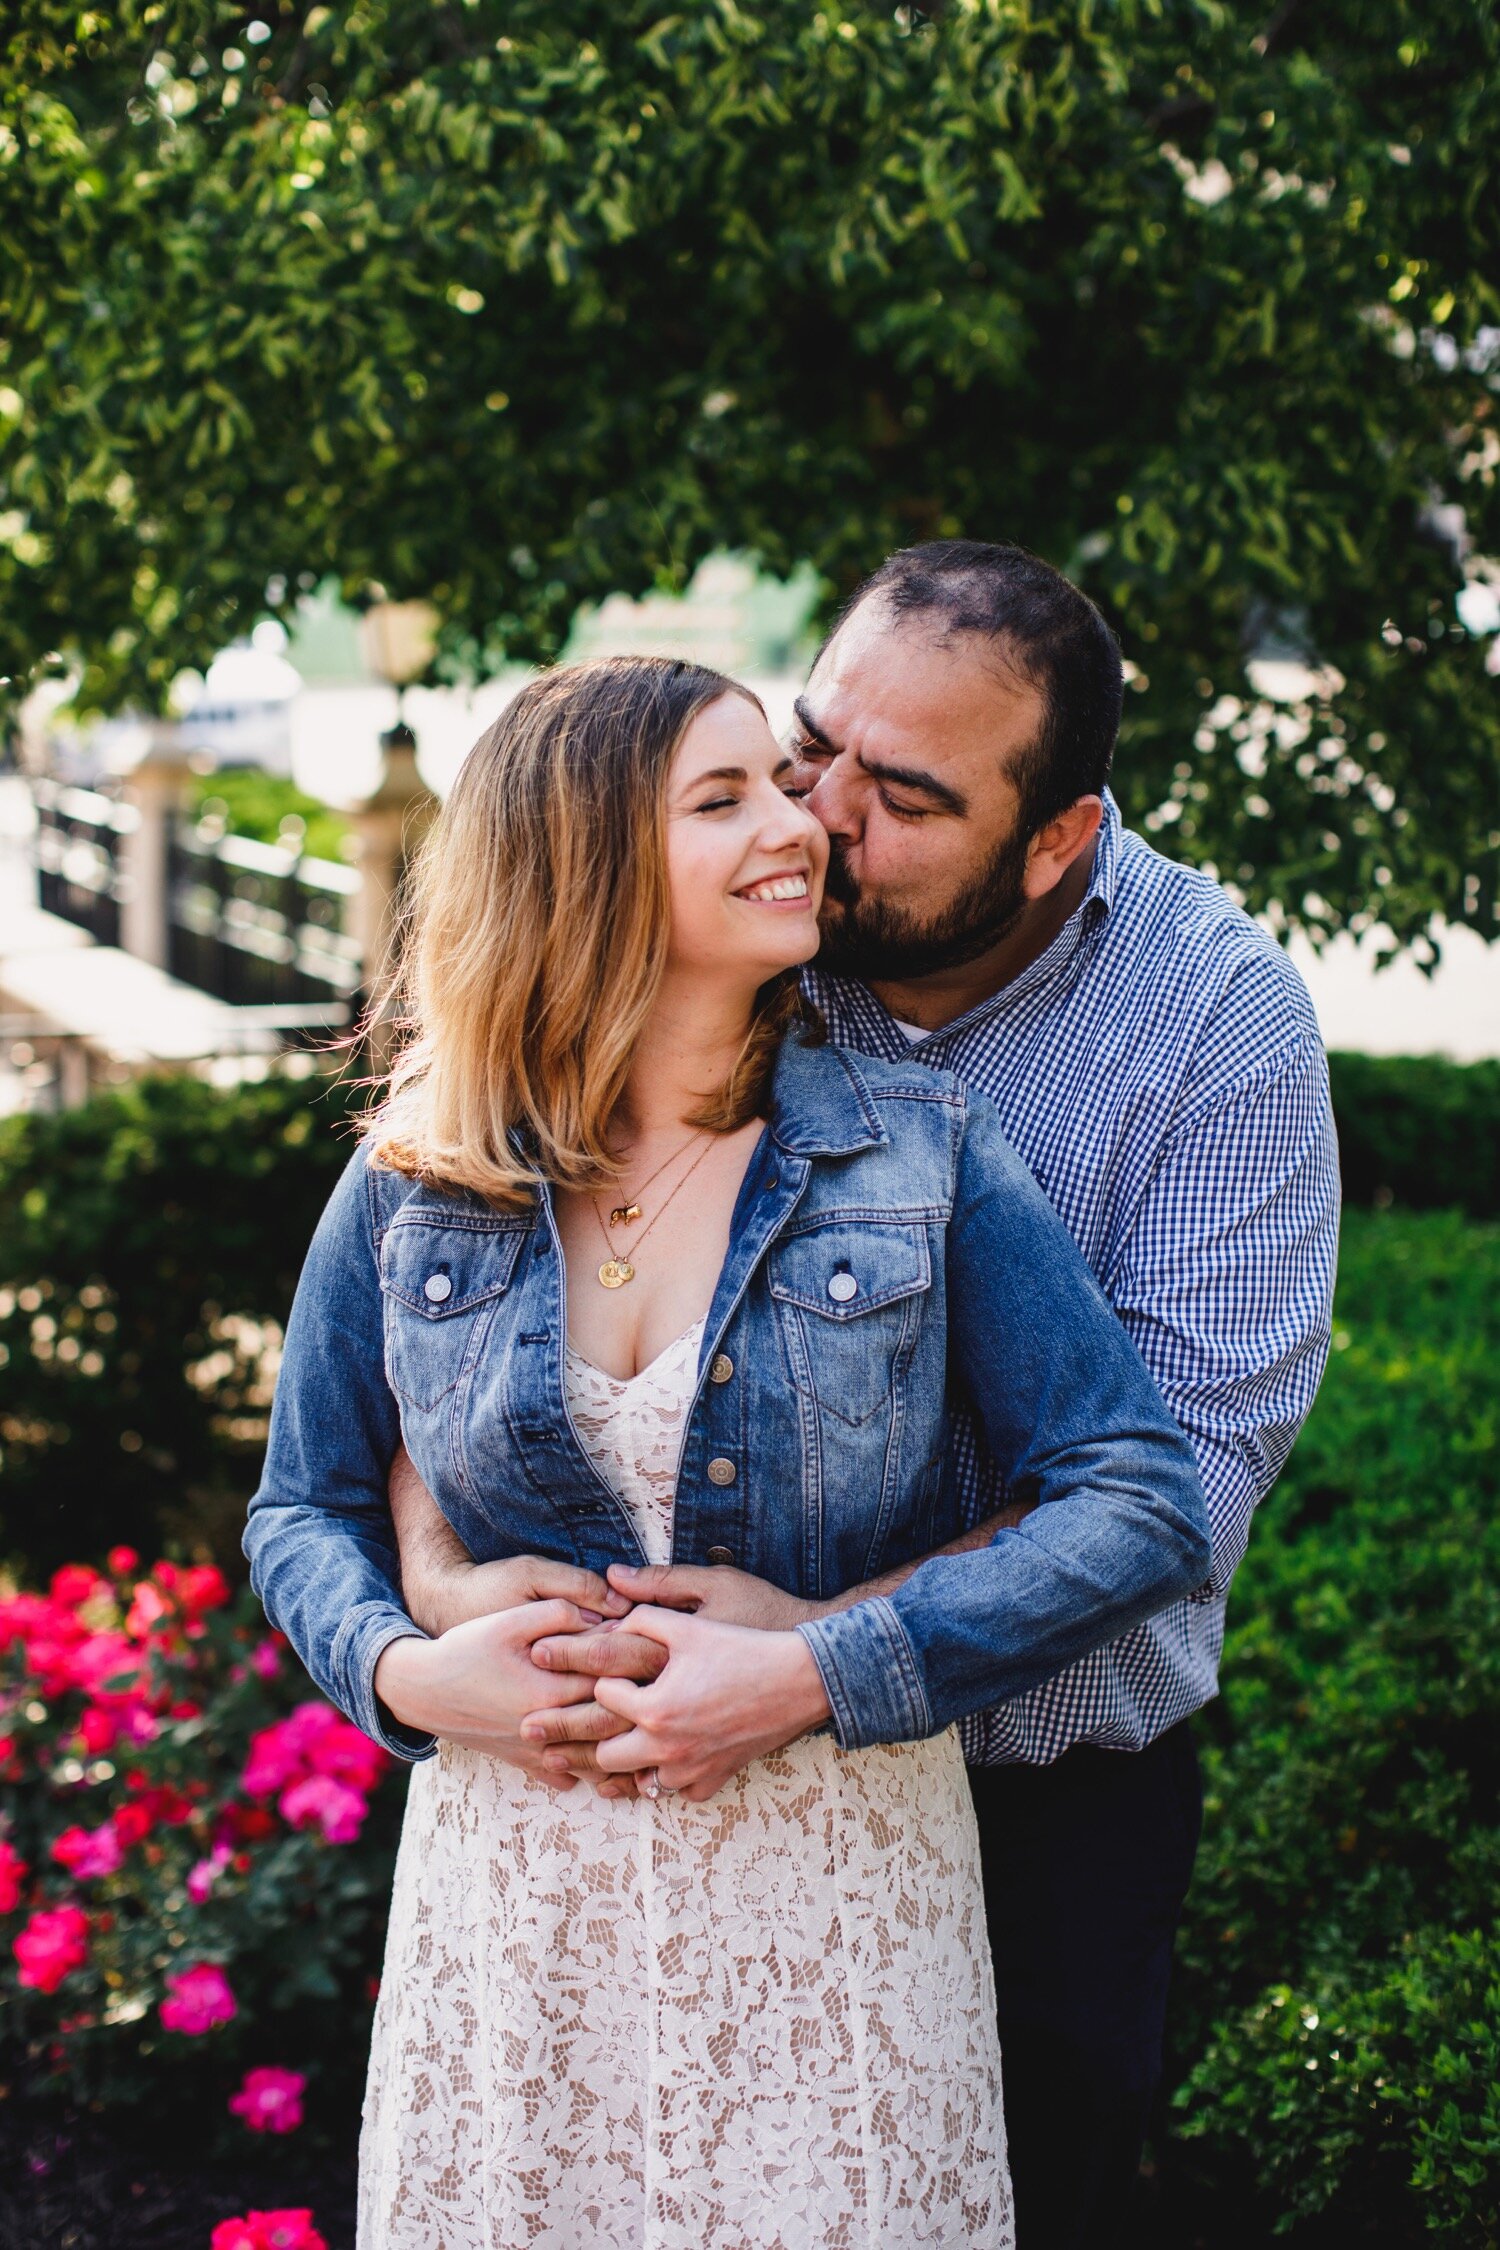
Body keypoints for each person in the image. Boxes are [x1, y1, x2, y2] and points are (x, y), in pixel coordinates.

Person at [392, 544, 1341, 2248]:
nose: (817, 815)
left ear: (1056, 837)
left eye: (897, 795)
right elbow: (428, 1325)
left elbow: (1179, 1478)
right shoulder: (744, 923)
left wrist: (819, 1652)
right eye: (808, 743)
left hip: (1040, 1791)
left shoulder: (1213, 1015)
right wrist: (445, 1605)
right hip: (640, 1794)